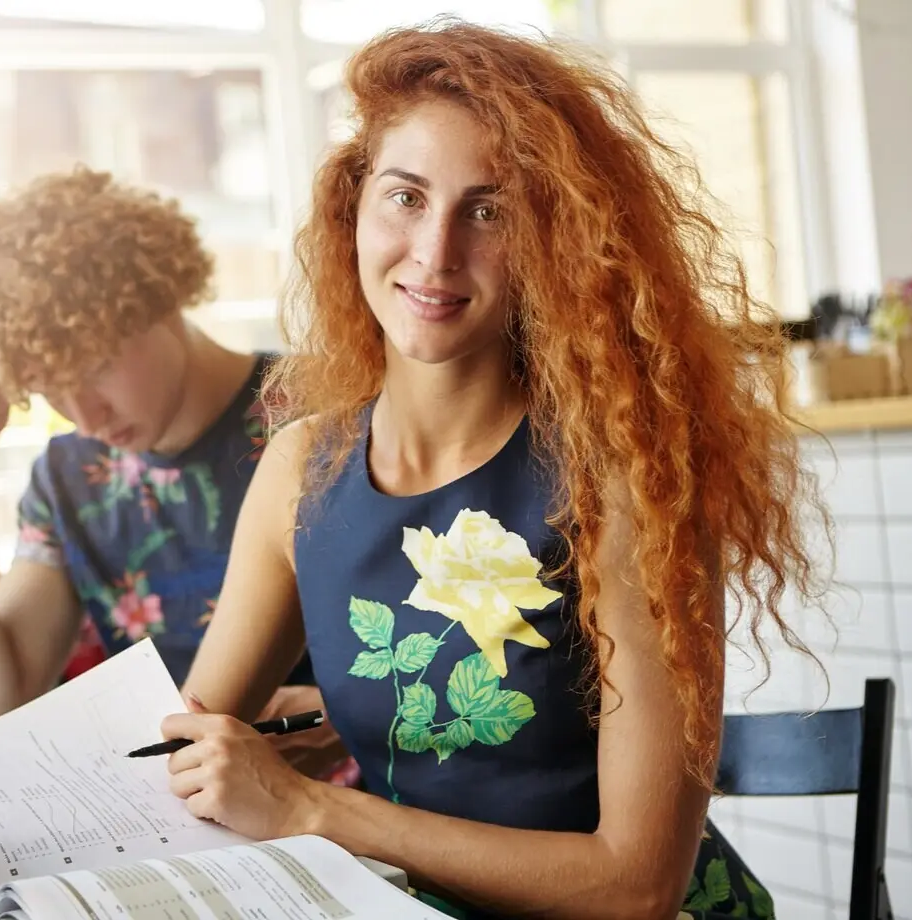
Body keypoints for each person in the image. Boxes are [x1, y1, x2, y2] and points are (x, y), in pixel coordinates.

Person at [163, 20, 828, 920]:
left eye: (489, 211)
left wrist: (316, 810)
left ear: (554, 241)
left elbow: (637, 886)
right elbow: (181, 747)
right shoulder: (300, 466)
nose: (435, 253)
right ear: (350, 206)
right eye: (405, 197)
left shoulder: (621, 477)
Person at [0, 166, 344, 778]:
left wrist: (344, 722)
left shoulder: (331, 410)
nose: (84, 415)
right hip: (183, 824)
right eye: (48, 388)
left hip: (355, 820)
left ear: (158, 299)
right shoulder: (73, 479)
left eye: (95, 367)